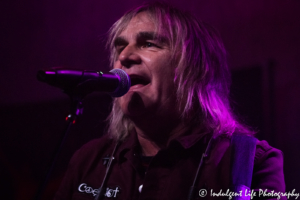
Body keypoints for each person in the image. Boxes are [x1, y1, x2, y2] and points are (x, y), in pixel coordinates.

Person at [54, 2, 286, 200]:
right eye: (120, 47)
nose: (124, 56)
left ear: (195, 68)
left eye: (148, 44)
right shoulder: (88, 161)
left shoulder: (251, 162)